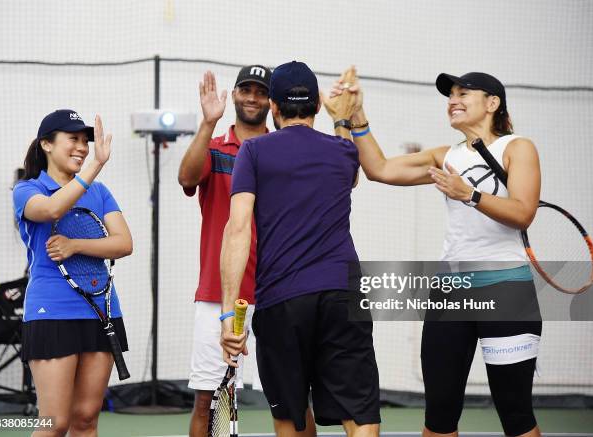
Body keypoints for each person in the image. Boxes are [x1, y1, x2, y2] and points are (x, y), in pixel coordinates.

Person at [328, 68, 542, 437]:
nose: (453, 101)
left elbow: (523, 212)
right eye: (450, 95)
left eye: (464, 93)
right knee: (439, 417)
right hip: (451, 293)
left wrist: (469, 195)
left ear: (493, 103)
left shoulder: (518, 147)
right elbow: (378, 169)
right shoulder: (446, 156)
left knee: (516, 415)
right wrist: (357, 115)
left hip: (508, 290)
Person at [220, 61, 380, 437]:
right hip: (344, 293)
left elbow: (238, 229)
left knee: (291, 416)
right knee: (360, 414)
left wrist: (228, 314)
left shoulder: (254, 152)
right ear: (317, 107)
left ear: (272, 106)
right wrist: (343, 118)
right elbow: (352, 170)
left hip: (282, 300)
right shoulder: (343, 153)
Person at [13, 109, 132, 437]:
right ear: (47, 144)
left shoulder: (101, 192)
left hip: (102, 310)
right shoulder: (27, 190)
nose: (82, 147)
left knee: (85, 419)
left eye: (85, 141)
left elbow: (123, 243)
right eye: (73, 139)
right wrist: (95, 166)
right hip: (50, 312)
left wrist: (74, 245)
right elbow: (51, 209)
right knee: (55, 422)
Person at [177, 64, 271, 437]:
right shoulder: (214, 149)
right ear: (233, 95)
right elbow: (185, 178)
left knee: (291, 396)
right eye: (245, 89)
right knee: (210, 399)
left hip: (275, 293)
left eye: (260, 91)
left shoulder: (278, 151)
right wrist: (207, 123)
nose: (252, 97)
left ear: (271, 100)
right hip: (218, 297)